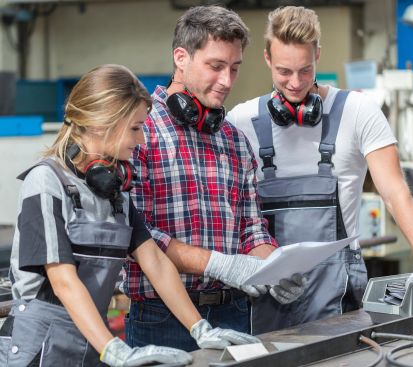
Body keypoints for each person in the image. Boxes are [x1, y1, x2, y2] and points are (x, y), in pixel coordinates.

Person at [0, 64, 261, 367]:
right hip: (37, 350)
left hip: (89, 345)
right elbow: (63, 281)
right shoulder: (45, 182)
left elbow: (156, 263)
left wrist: (200, 329)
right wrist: (114, 349)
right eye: (135, 128)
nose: (142, 140)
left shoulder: (114, 193)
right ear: (99, 124)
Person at [226, 6, 413, 334]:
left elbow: (394, 191)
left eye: (305, 70)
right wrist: (253, 266)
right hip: (268, 295)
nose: (295, 82)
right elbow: (233, 212)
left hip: (340, 292)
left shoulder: (358, 112)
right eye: (284, 71)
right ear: (266, 59)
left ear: (318, 54)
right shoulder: (242, 121)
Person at [122, 5, 307, 350]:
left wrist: (275, 267)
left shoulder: (234, 140)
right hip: (161, 318)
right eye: (216, 66)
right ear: (181, 57)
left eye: (235, 68)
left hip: (234, 311)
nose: (227, 81)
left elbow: (251, 229)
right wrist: (221, 265)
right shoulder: (139, 132)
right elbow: (137, 235)